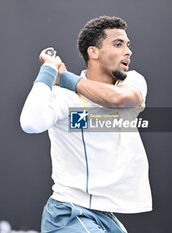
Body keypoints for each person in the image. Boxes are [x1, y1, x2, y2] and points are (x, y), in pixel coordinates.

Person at [20, 16, 152, 233]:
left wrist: (65, 78)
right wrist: (48, 71)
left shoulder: (133, 81)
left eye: (128, 45)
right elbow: (30, 123)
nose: (128, 51)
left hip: (104, 215)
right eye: (118, 44)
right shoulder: (65, 98)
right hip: (68, 213)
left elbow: (117, 99)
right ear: (94, 52)